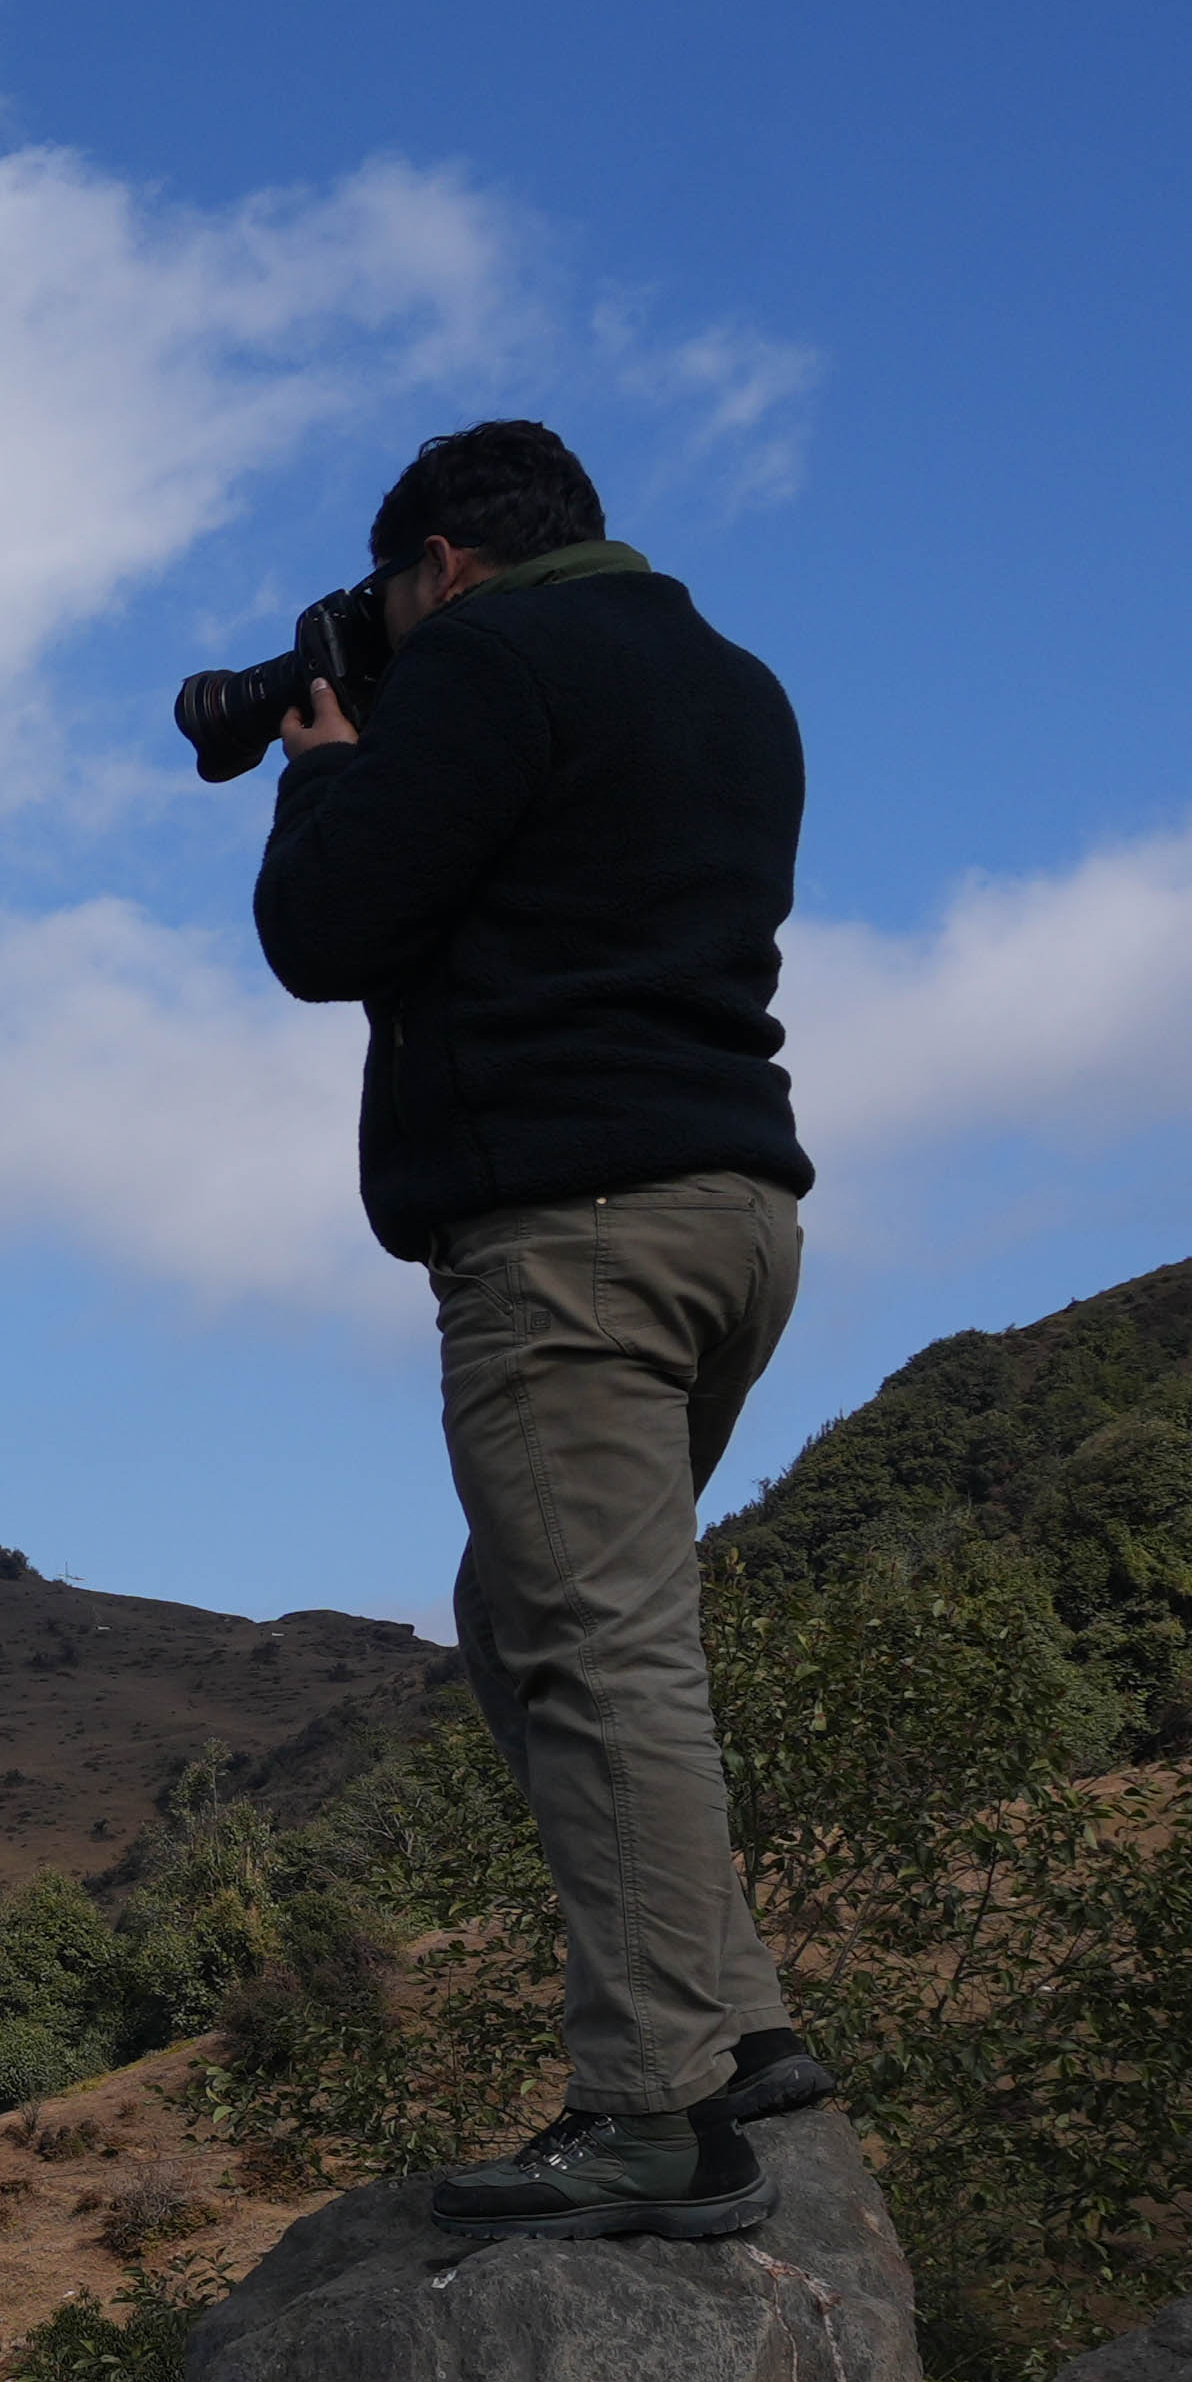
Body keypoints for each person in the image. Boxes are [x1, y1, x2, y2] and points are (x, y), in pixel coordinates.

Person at [252, 419, 832, 2241]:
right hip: (731, 1223)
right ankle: (735, 2026)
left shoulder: (490, 661)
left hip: (568, 1236)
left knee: (597, 1658)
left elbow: (327, 930)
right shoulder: (734, 682)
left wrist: (324, 768)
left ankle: (659, 2110)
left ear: (440, 565)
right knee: (539, 1630)